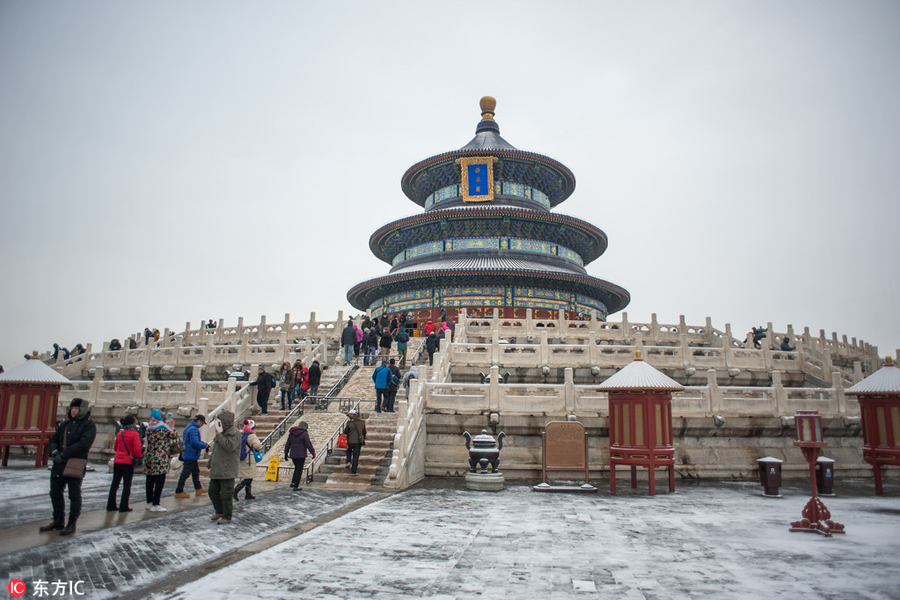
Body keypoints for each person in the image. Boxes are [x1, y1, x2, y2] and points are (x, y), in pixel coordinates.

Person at [40, 398, 96, 536]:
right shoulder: (65, 425)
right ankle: (58, 519)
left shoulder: (89, 426)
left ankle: (72, 523)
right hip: (59, 463)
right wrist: (54, 452)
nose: (73, 411)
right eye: (72, 409)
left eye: (76, 409)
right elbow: (53, 439)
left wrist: (64, 454)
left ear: (82, 410)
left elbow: (83, 444)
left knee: (74, 494)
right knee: (55, 492)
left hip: (74, 463)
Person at [207, 411, 241, 524]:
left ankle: (227, 515)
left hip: (227, 468)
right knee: (212, 490)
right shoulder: (221, 433)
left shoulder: (234, 432)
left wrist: (219, 436)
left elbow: (230, 446)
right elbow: (216, 449)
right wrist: (210, 461)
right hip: (217, 468)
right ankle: (219, 510)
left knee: (226, 494)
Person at [107, 414, 142, 512]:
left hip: (117, 460)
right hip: (127, 462)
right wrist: (137, 457)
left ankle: (111, 504)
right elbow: (137, 450)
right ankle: (124, 506)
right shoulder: (135, 434)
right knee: (126, 485)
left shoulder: (120, 433)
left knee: (115, 483)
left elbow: (115, 448)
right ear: (133, 423)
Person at [144, 409, 177, 512]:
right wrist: (171, 426)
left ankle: (149, 502)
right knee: (159, 481)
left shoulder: (149, 428)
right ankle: (156, 504)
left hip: (150, 457)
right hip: (160, 458)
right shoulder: (163, 428)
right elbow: (174, 435)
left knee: (149, 481)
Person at [174, 414, 209, 498]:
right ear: (199, 421)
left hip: (189, 454)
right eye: (202, 423)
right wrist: (205, 445)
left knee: (195, 472)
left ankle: (198, 488)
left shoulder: (188, 427)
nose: (202, 425)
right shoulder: (194, 429)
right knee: (185, 474)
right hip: (191, 454)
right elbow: (195, 443)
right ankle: (179, 491)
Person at [234, 420, 262, 500]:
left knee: (248, 476)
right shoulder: (251, 436)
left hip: (243, 458)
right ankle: (236, 490)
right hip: (249, 458)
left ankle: (248, 494)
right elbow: (258, 446)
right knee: (249, 477)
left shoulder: (243, 435)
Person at [284, 419, 316, 490]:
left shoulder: (292, 433)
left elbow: (287, 444)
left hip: (293, 455)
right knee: (299, 470)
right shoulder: (304, 433)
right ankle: (296, 486)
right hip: (301, 455)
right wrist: (313, 452)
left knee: (296, 468)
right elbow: (308, 444)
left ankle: (293, 482)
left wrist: (286, 454)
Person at [343, 409, 366, 476]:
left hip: (350, 441)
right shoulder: (362, 423)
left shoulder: (349, 423)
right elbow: (364, 432)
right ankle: (353, 471)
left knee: (348, 451)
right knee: (356, 456)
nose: (349, 416)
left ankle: (348, 461)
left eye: (350, 415)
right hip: (358, 442)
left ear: (352, 415)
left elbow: (345, 432)